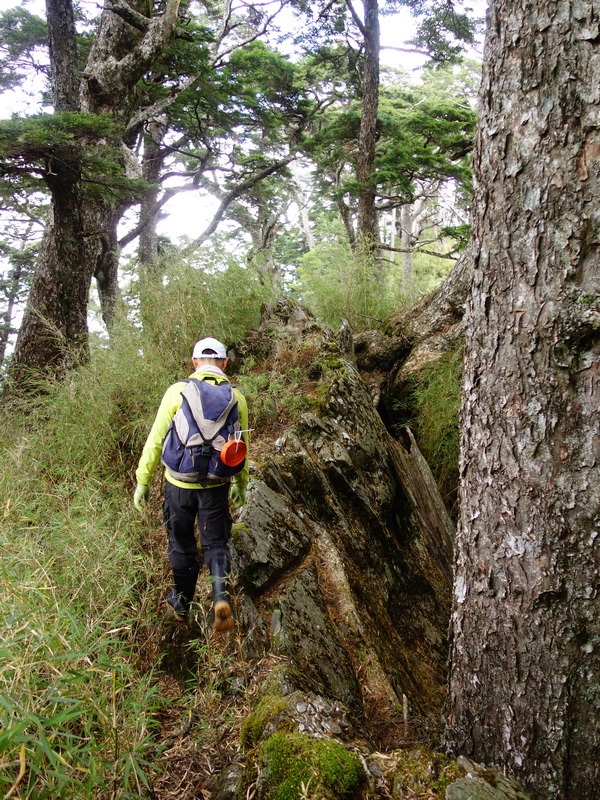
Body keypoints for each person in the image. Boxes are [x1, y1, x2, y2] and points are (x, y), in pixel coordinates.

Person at [133, 337, 248, 632]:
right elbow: (240, 447)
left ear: (194, 362)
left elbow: (156, 439)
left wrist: (143, 481)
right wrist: (240, 484)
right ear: (224, 363)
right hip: (216, 485)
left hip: (178, 486)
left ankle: (182, 602)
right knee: (216, 542)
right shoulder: (237, 397)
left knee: (181, 544)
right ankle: (221, 598)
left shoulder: (177, 391)